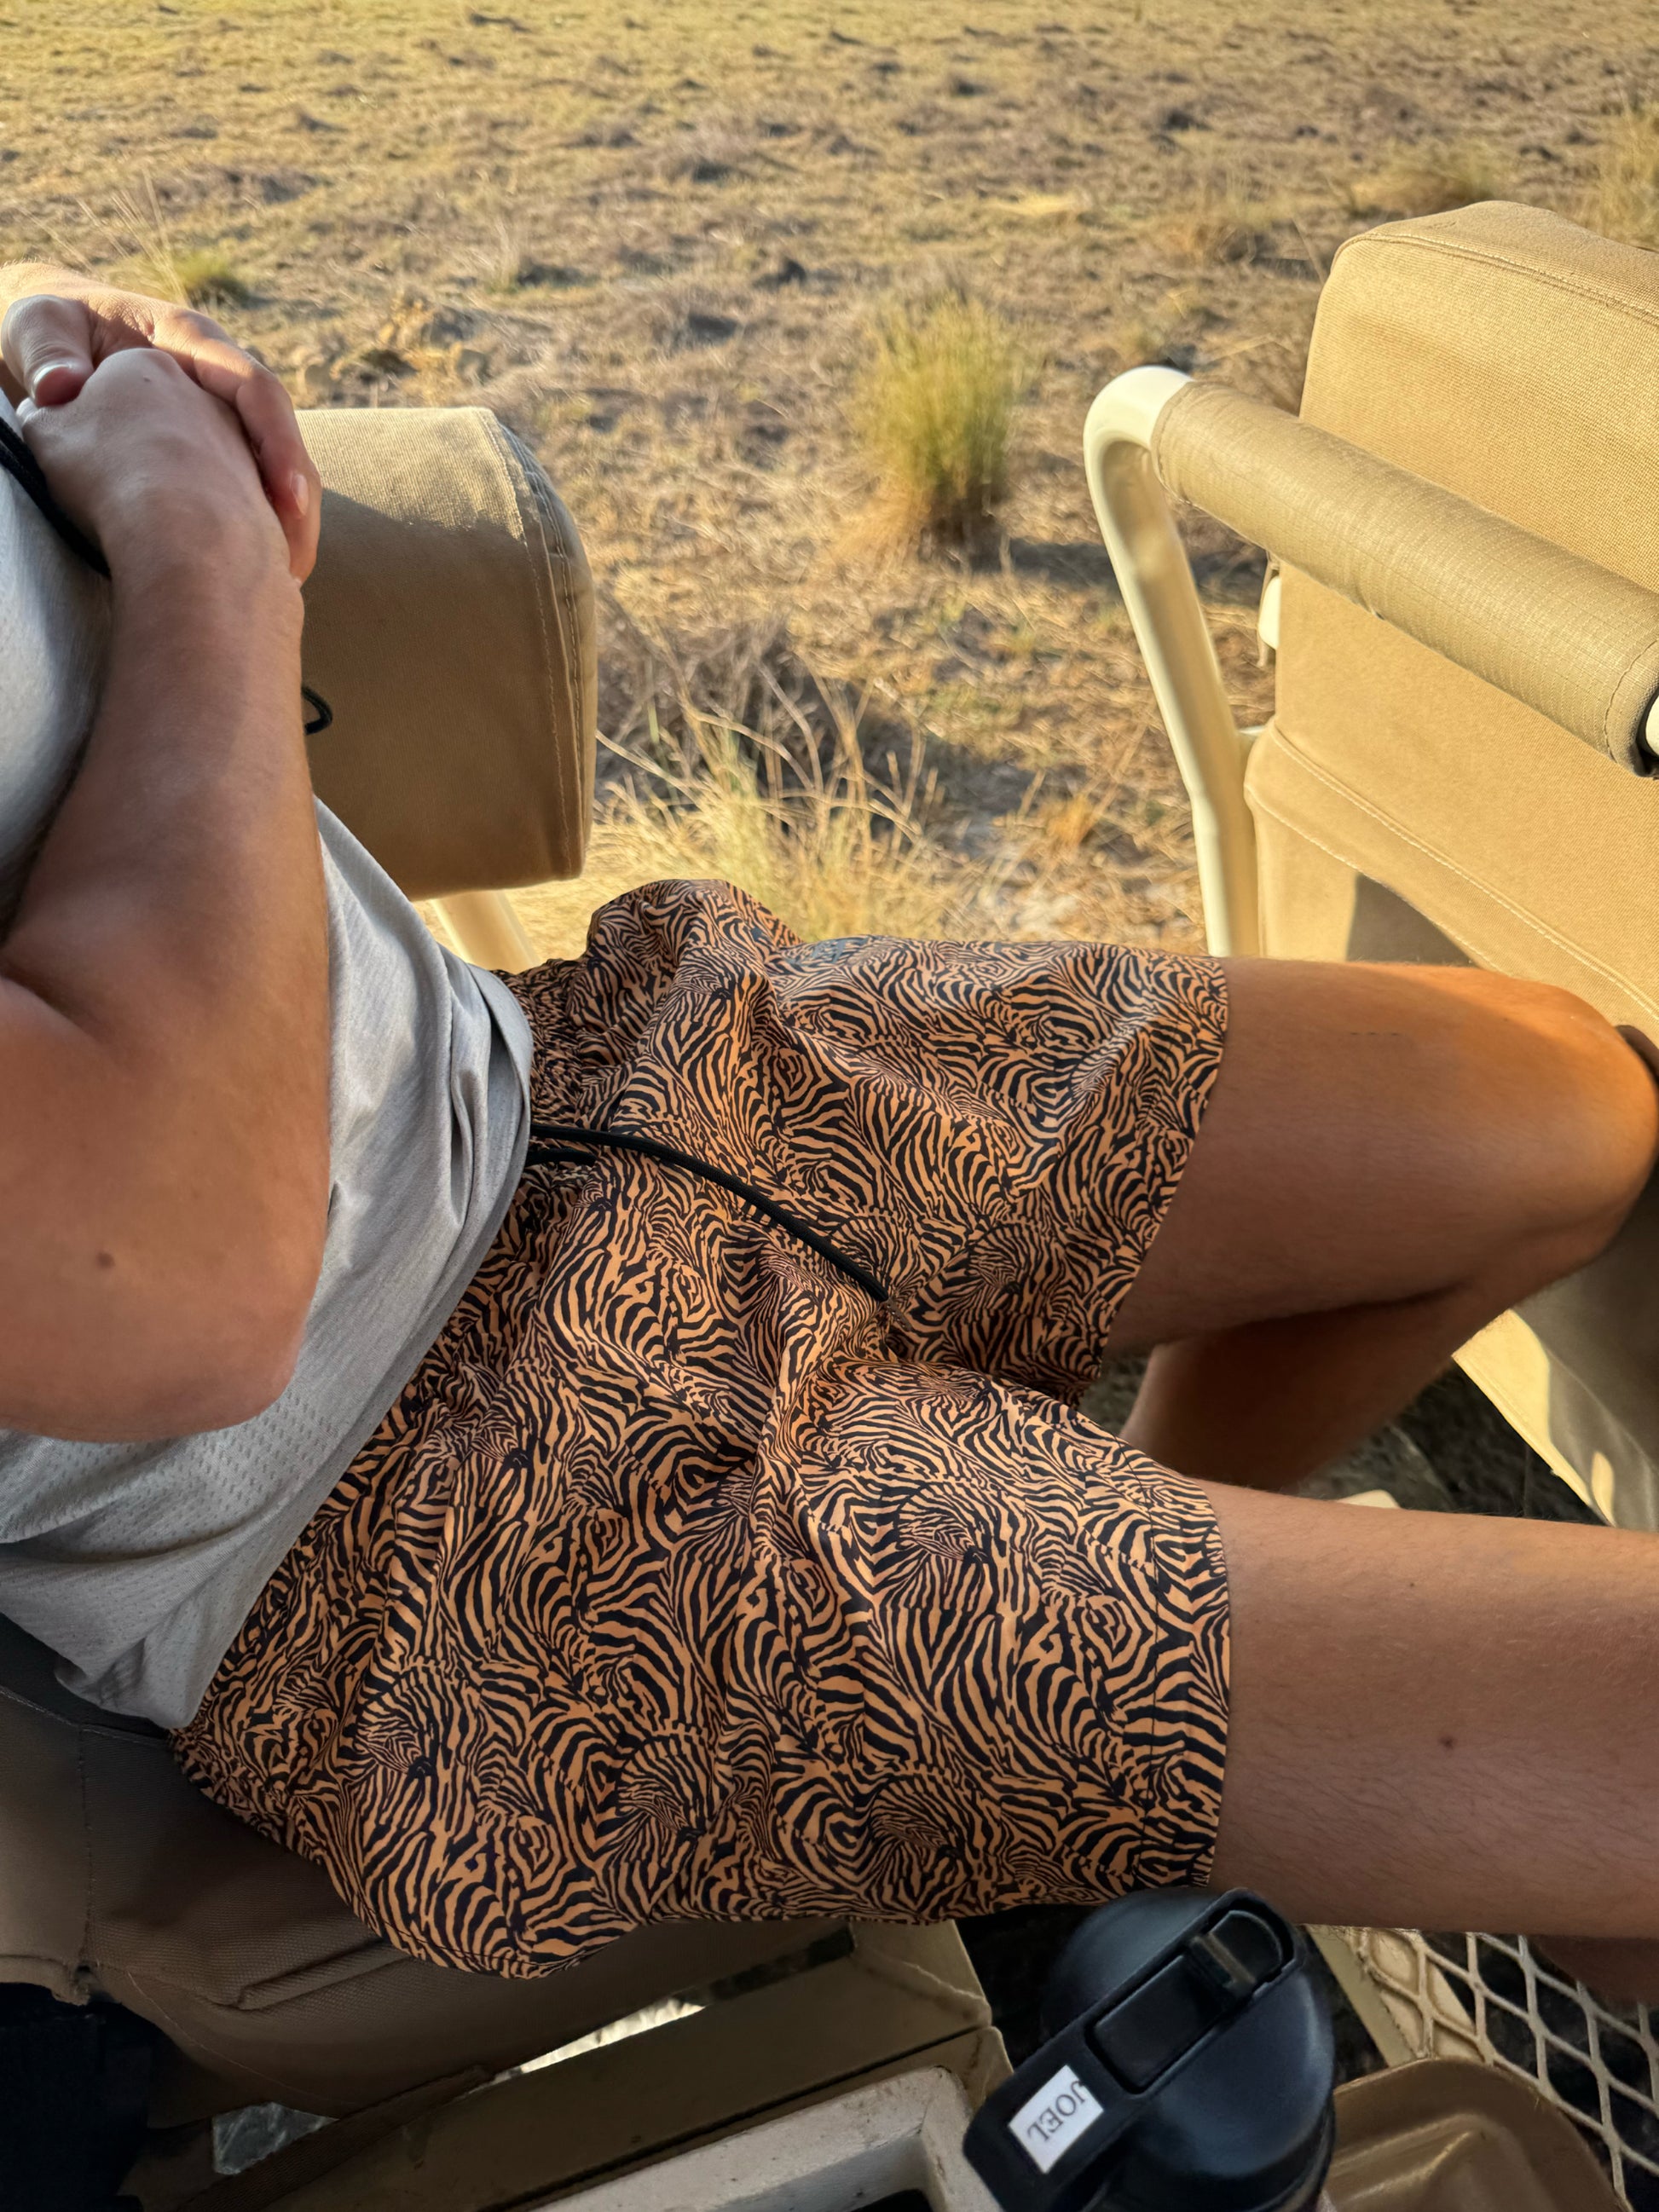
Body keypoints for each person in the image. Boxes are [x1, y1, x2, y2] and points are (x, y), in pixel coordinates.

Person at [3, 263, 1657, 1999]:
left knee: (1564, 1113)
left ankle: (1100, 1685)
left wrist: (61, 334)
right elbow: (183, 1266)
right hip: (451, 1525)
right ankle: (1131, 1715)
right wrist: (200, 545)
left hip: (608, 1078)